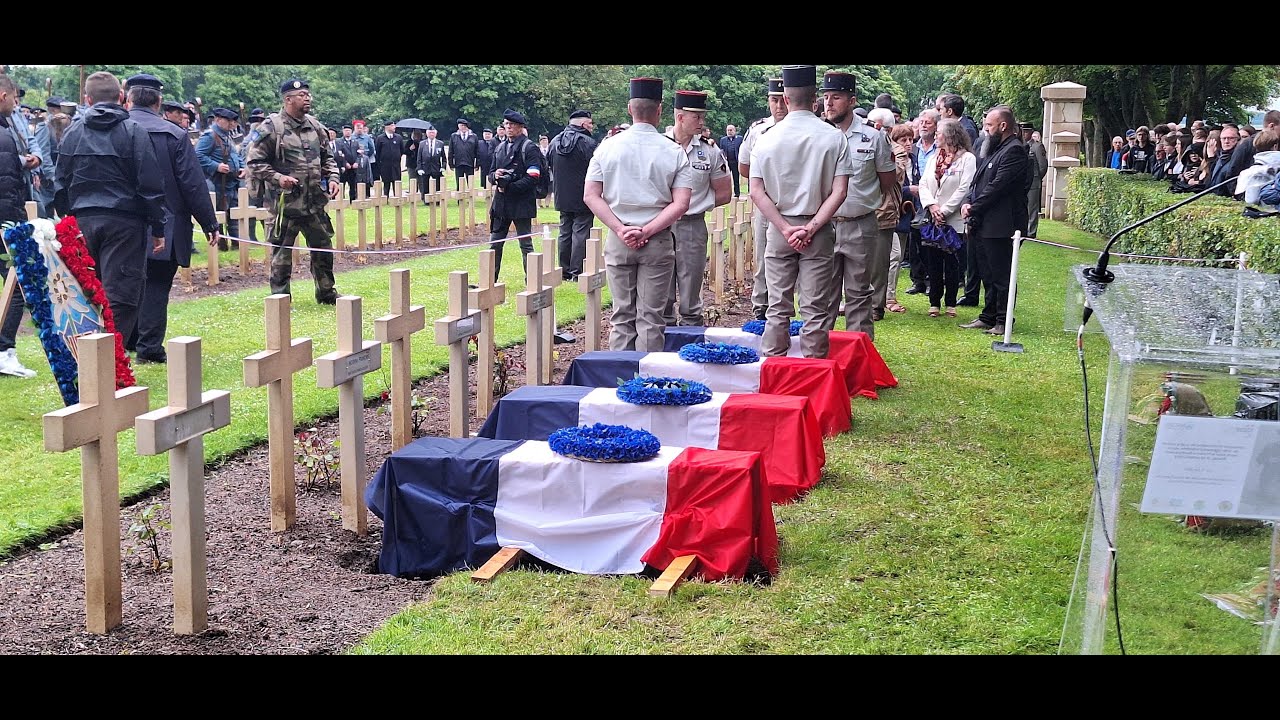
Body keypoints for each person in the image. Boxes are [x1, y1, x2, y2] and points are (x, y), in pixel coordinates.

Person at [52, 70, 167, 347]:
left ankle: (95, 358)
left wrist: (69, 219)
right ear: (121, 97)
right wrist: (158, 226)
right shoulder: (133, 132)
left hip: (83, 220)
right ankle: (112, 359)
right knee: (122, 293)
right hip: (125, 223)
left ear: (87, 99)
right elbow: (149, 183)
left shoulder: (73, 132)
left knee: (86, 290)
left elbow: (60, 181)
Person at [583, 77, 692, 352]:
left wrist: (620, 229)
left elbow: (591, 195)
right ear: (659, 110)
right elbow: (681, 203)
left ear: (630, 109)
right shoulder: (673, 151)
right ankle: (648, 385)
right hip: (656, 239)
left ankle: (618, 384)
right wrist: (647, 230)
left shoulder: (607, 147)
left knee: (621, 317)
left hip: (620, 239)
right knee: (651, 318)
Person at [751, 65, 851, 358]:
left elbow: (756, 190)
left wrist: (784, 227)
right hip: (816, 229)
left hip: (780, 227)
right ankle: (814, 372)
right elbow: (840, 191)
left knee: (777, 305)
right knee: (815, 307)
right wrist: (811, 227)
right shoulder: (833, 137)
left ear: (784, 98)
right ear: (815, 98)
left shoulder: (766, 137)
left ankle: (773, 366)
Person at [123, 74, 221, 364]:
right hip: (165, 221)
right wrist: (209, 222)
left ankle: (129, 339)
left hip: (122, 222)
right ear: (159, 101)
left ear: (127, 99)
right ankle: (149, 346)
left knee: (126, 282)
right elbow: (192, 183)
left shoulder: (115, 130)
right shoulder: (173, 134)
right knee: (155, 284)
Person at [245, 78, 342, 304]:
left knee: (323, 248)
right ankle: (280, 298)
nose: (307, 98)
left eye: (308, 94)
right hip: (284, 205)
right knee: (281, 254)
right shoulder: (271, 127)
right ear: (288, 99)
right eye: (301, 95)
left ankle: (327, 293)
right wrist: (279, 178)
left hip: (313, 203)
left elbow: (328, 158)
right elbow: (254, 163)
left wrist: (334, 177)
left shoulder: (315, 127)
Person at [819, 70, 895, 340]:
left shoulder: (873, 137)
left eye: (836, 97)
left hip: (860, 224)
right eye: (826, 97)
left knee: (860, 295)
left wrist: (862, 201)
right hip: (823, 226)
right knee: (821, 297)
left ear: (852, 101)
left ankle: (860, 361)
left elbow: (886, 180)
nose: (829, 103)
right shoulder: (817, 135)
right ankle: (819, 358)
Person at [663, 90, 732, 327]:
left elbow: (724, 192)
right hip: (659, 225)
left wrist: (697, 203)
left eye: (703, 116)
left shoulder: (709, 151)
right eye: (697, 117)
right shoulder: (659, 145)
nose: (703, 122)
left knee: (691, 289)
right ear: (680, 117)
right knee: (660, 289)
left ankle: (691, 336)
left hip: (691, 224)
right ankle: (663, 340)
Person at [960, 105, 1029, 337]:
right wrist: (969, 201)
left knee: (1002, 275)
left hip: (1003, 224)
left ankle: (1003, 319)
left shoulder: (1015, 151)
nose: (985, 130)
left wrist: (973, 207)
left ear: (1003, 126)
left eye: (989, 125)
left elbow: (998, 187)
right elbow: (978, 182)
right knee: (986, 273)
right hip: (984, 221)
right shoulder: (993, 148)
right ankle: (987, 315)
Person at [739, 77, 787, 320]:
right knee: (762, 256)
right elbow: (744, 167)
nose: (778, 106)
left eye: (782, 100)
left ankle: (786, 306)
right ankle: (761, 305)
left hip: (793, 203)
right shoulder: (758, 130)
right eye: (773, 100)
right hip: (765, 201)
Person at [917, 119, 975, 319]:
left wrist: (945, 210)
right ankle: (934, 302)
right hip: (933, 217)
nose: (935, 135)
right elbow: (923, 183)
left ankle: (951, 302)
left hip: (953, 218)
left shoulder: (967, 159)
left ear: (950, 134)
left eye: (939, 132)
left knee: (952, 262)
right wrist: (932, 206)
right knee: (933, 261)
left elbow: (965, 187)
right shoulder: (935, 158)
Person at [0, 74, 38, 378]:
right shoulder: (3, 134)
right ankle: (4, 351)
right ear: (3, 95)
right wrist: (16, 223)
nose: (16, 103)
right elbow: (8, 185)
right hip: (4, 219)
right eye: (14, 98)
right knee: (18, 285)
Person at [485, 109, 544, 284]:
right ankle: (489, 282)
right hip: (501, 203)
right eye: (506, 124)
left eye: (512, 125)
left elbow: (533, 177)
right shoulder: (500, 147)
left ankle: (532, 281)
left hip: (521, 202)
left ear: (520, 127)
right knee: (494, 243)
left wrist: (510, 186)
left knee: (525, 244)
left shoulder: (529, 148)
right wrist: (495, 176)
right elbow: (489, 173)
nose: (509, 128)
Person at [547, 109, 597, 281]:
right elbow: (595, 169)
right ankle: (577, 271)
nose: (592, 127)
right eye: (590, 124)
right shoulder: (588, 143)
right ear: (583, 124)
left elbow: (549, 163)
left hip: (562, 194)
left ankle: (564, 270)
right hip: (583, 194)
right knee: (581, 232)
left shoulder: (555, 141)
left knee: (564, 231)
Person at [195, 106, 244, 251]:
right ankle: (220, 244)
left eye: (233, 121)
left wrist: (241, 166)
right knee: (219, 215)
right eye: (228, 120)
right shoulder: (210, 136)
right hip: (217, 182)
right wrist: (216, 166)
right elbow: (197, 155)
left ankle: (237, 244)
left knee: (233, 214)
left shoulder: (227, 136)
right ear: (217, 119)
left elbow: (235, 155)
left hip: (231, 182)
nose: (232, 124)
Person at [238, 107, 275, 244]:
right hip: (253, 178)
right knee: (252, 208)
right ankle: (252, 236)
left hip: (265, 177)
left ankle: (267, 234)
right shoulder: (252, 138)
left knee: (265, 208)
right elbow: (244, 155)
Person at [1021, 122, 1048, 237]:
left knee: (1032, 208)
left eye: (1026, 131)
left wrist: (1036, 178)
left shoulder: (1037, 146)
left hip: (1033, 181)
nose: (1024, 134)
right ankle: (1023, 229)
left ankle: (1031, 232)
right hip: (1023, 182)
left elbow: (1043, 166)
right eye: (1023, 131)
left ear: (1031, 132)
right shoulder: (1020, 145)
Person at [448, 118, 480, 191]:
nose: (463, 127)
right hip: (458, 163)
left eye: (465, 126)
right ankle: (460, 200)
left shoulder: (473, 136)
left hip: (469, 163)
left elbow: (477, 151)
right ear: (458, 126)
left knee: (470, 183)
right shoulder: (454, 136)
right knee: (459, 184)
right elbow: (451, 151)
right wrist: (451, 164)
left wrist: (477, 164)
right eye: (461, 126)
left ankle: (471, 199)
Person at [374, 120, 404, 197]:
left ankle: (397, 197)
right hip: (385, 165)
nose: (394, 127)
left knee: (396, 182)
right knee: (386, 182)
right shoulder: (380, 138)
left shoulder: (398, 138)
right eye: (392, 125)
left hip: (396, 165)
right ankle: (385, 197)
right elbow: (377, 152)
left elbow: (401, 150)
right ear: (387, 127)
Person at [416, 126, 446, 197]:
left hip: (436, 168)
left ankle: (437, 199)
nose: (431, 134)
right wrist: (419, 168)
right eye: (430, 133)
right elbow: (419, 157)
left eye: (433, 133)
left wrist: (443, 167)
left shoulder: (440, 143)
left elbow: (444, 157)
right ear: (427, 134)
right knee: (425, 185)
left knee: (437, 185)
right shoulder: (422, 144)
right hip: (425, 168)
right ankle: (425, 199)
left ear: (436, 134)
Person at [335, 124, 360, 202]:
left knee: (353, 185)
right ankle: (341, 200)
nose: (347, 132)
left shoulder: (355, 142)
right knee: (342, 184)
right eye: (346, 131)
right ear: (343, 131)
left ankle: (352, 200)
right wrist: (345, 163)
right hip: (344, 167)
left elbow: (359, 153)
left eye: (349, 131)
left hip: (354, 167)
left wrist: (357, 162)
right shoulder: (339, 142)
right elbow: (339, 154)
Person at [350, 119, 375, 196]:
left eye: (361, 128)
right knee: (355, 179)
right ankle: (355, 195)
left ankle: (367, 195)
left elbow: (372, 148)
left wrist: (366, 156)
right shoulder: (351, 137)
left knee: (367, 177)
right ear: (354, 128)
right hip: (354, 161)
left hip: (365, 160)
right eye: (357, 128)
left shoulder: (367, 137)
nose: (359, 129)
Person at [718, 124, 743, 197]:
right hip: (727, 162)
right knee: (726, 178)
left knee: (736, 178)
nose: (729, 132)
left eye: (731, 130)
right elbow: (721, 150)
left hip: (736, 161)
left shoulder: (740, 139)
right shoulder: (723, 140)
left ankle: (737, 193)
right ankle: (726, 193)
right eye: (728, 130)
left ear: (735, 131)